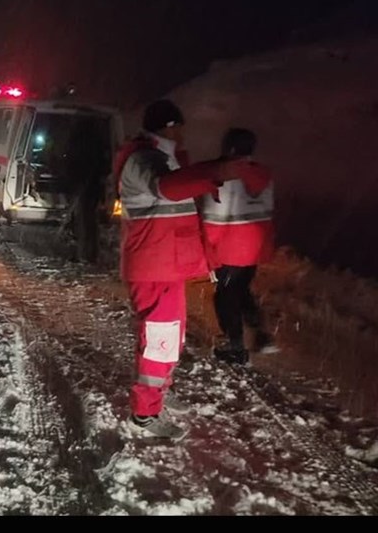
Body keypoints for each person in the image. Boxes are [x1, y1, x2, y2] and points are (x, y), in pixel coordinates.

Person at [114, 99, 249, 439]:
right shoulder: (144, 158)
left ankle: (158, 392)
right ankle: (145, 415)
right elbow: (168, 188)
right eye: (180, 126)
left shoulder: (162, 155)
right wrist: (214, 173)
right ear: (169, 126)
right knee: (160, 340)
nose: (185, 132)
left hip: (164, 265)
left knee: (168, 337)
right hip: (154, 266)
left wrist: (214, 169)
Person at [201, 128, 276, 366]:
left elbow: (216, 217)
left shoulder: (225, 176)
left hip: (229, 247)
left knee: (225, 296)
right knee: (241, 290)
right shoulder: (264, 174)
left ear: (230, 148)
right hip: (253, 246)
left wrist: (207, 247)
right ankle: (263, 335)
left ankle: (235, 348)